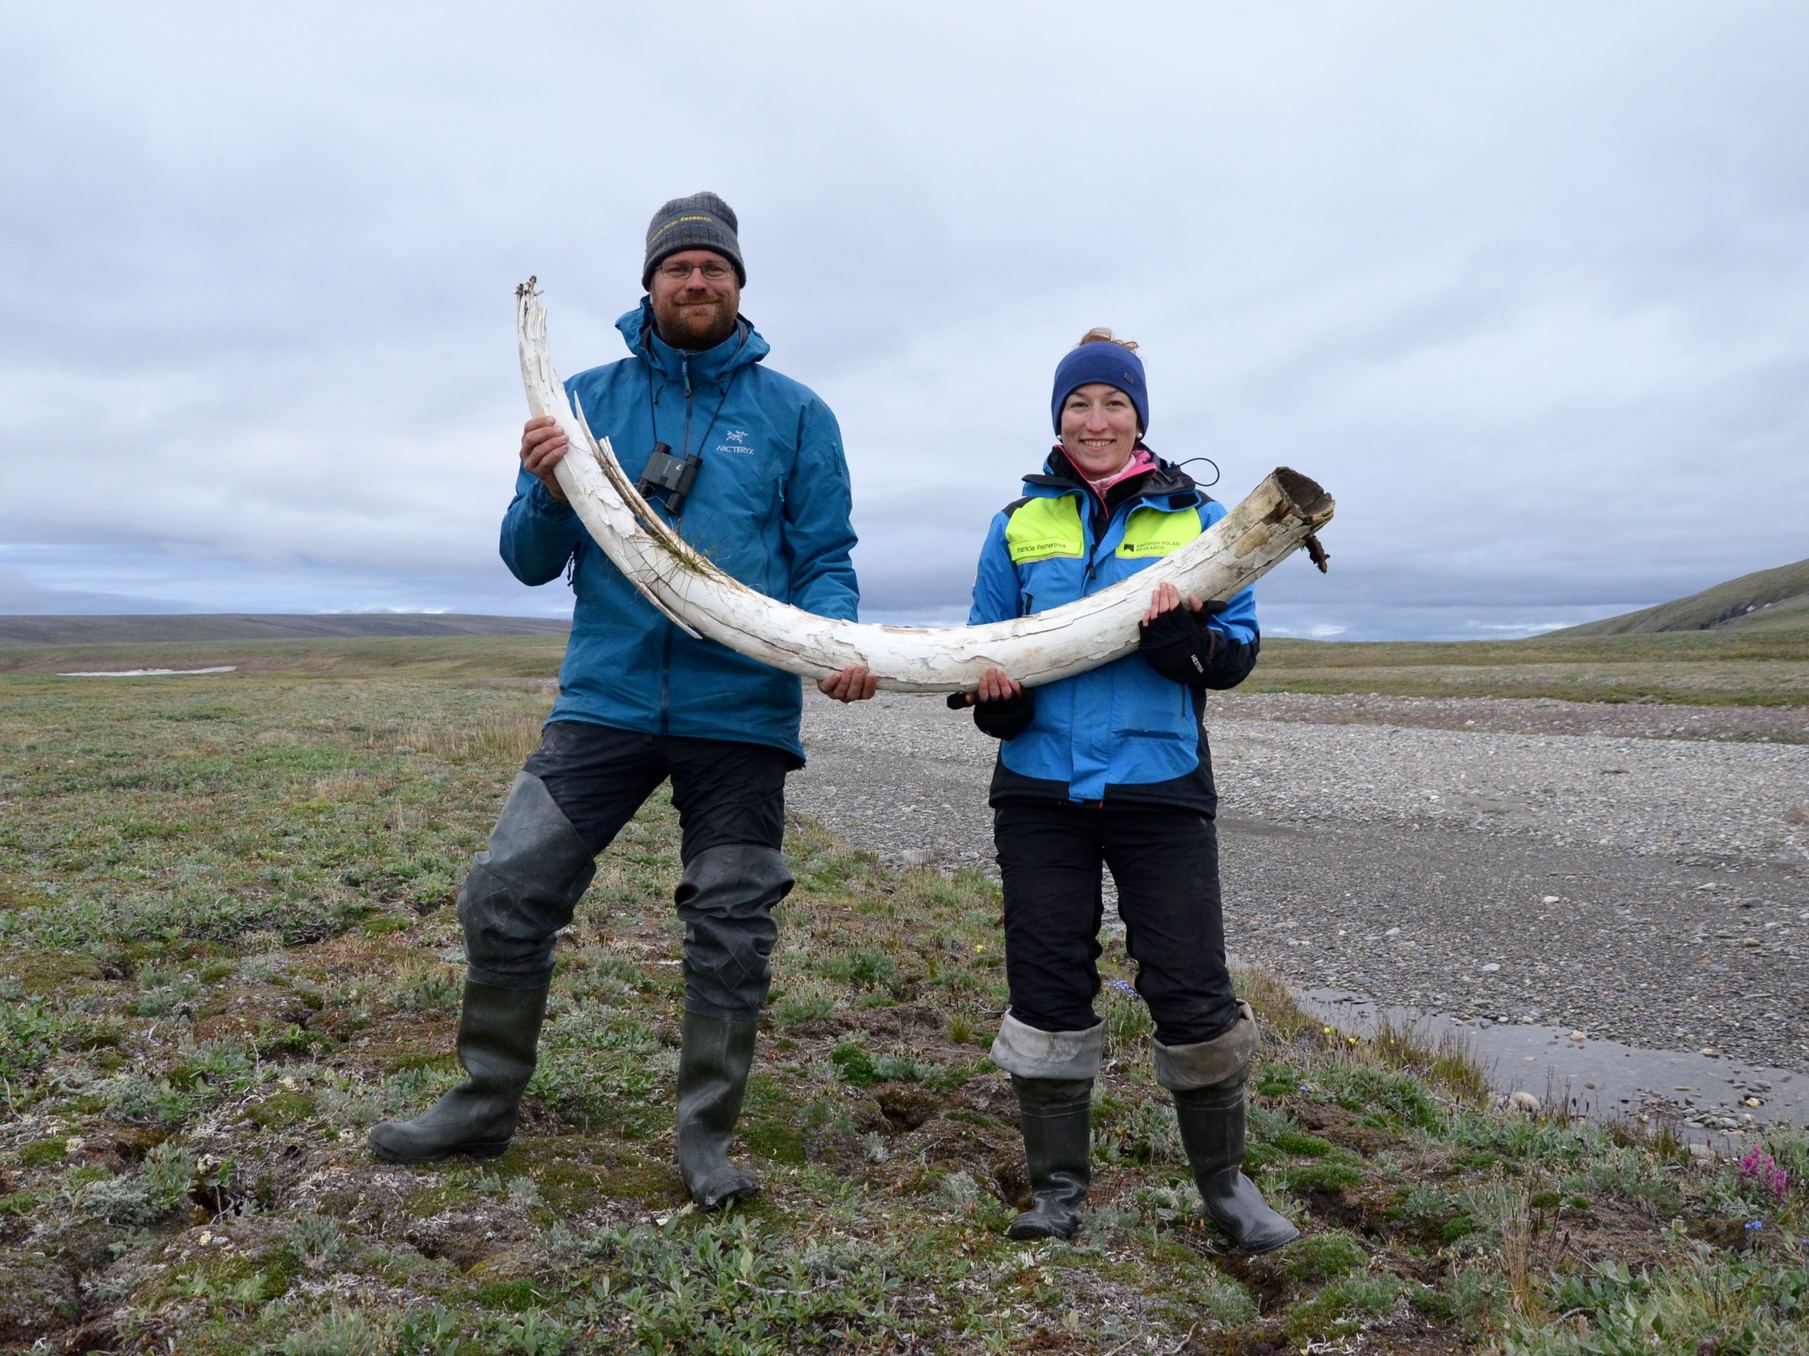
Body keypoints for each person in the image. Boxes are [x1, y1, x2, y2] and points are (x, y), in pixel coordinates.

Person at [370, 193, 877, 1211]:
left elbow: (824, 559)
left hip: (741, 713)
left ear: (739, 284)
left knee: (733, 923)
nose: (697, 283)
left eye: (714, 269)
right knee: (506, 890)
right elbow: (524, 561)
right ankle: (482, 1101)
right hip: (604, 701)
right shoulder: (584, 397)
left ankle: (706, 1141)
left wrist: (839, 644)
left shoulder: (799, 415)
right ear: (648, 284)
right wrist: (546, 487)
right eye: (678, 268)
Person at [959, 329, 1297, 1254]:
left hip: (1160, 787)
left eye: (1112, 403)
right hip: (1037, 790)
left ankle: (1225, 1191)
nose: (1094, 419)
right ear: (1057, 418)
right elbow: (984, 649)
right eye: (1078, 404)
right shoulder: (1014, 524)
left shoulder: (1208, 523)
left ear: (1140, 417)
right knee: (1045, 983)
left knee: (1190, 989)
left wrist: (1183, 644)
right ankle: (1055, 1192)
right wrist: (999, 707)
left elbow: (1236, 654)